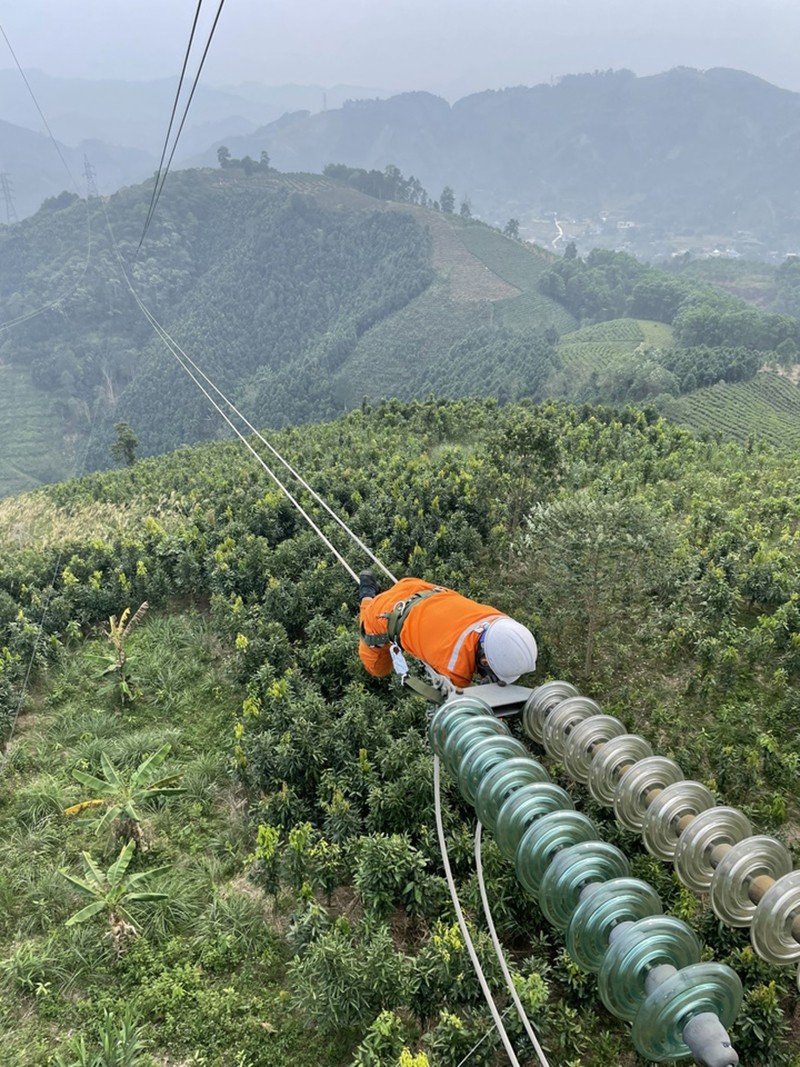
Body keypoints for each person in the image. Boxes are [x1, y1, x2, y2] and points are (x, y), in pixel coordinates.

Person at [358, 570, 537, 689]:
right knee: (378, 669)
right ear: (483, 660)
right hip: (381, 614)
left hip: (417, 588)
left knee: (396, 602)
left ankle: (381, 594)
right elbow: (460, 703)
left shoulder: (500, 621)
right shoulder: (455, 664)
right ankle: (367, 594)